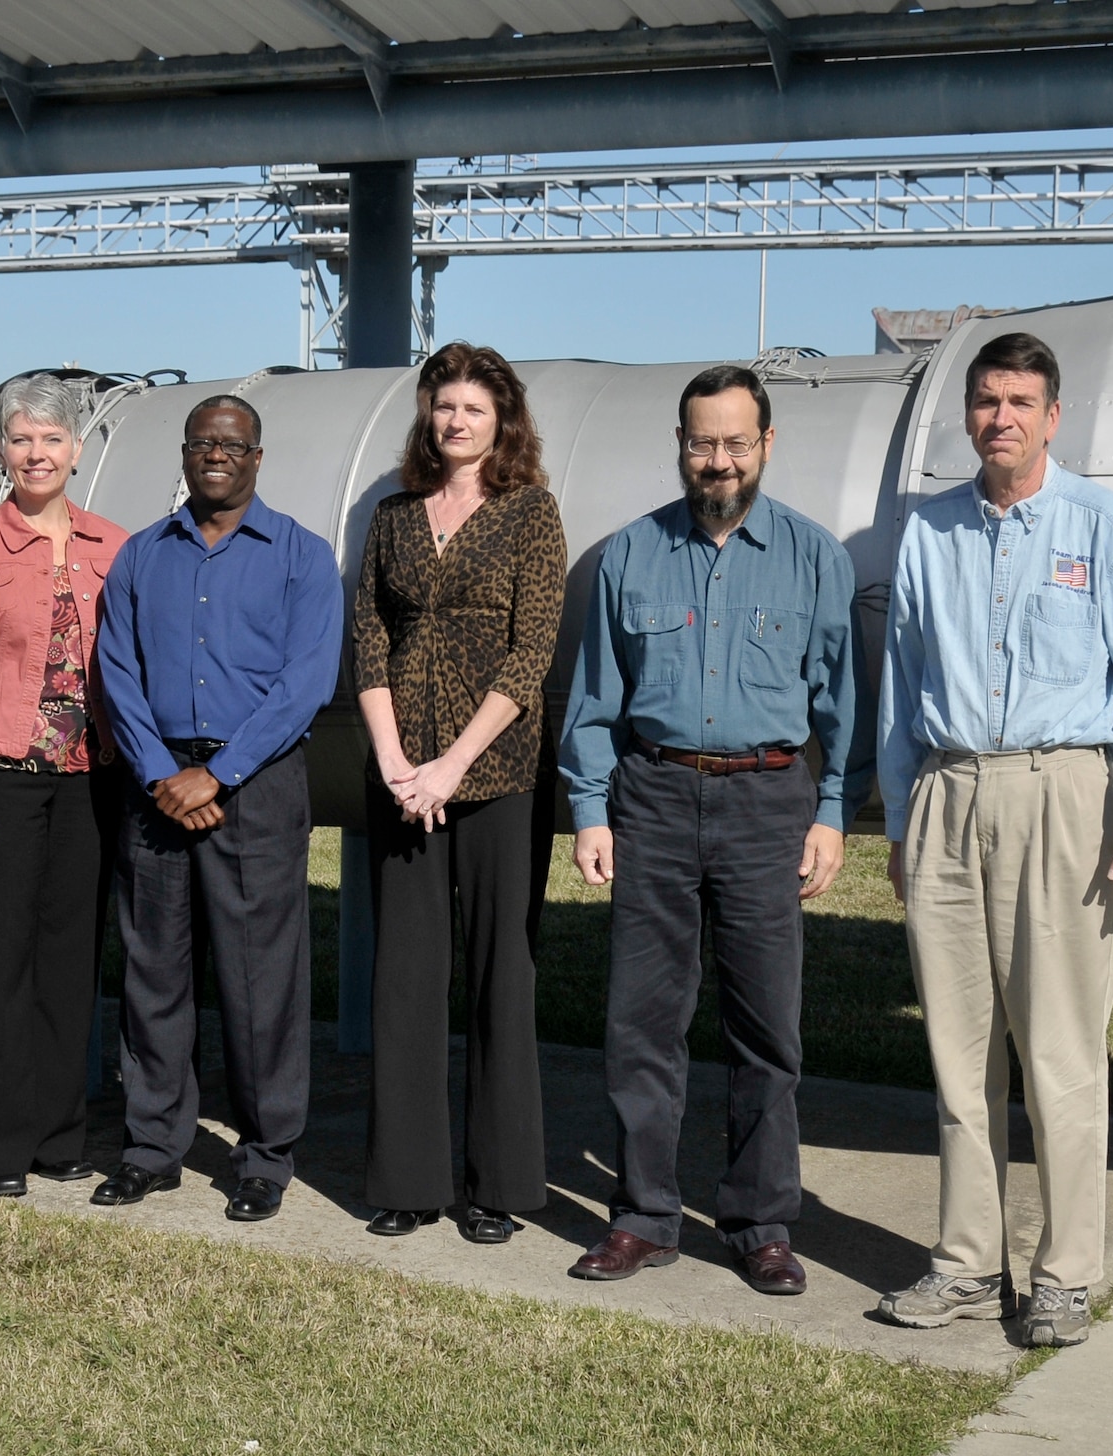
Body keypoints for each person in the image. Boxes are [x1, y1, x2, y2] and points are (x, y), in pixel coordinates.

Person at [874, 332, 1113, 1348]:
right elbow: (899, 693)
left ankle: (1062, 1273)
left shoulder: (1103, 527)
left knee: (1057, 1045)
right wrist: (898, 818)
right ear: (964, 416)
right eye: (983, 400)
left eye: (1019, 401)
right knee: (957, 1051)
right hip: (946, 794)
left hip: (1061, 795)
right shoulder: (926, 532)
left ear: (1052, 417)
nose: (999, 417)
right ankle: (966, 1264)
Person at [558, 365, 870, 1292]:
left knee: (765, 1026)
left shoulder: (814, 558)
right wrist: (589, 808)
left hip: (767, 803)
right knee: (641, 1023)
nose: (719, 460)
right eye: (703, 442)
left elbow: (842, 707)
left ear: (767, 445)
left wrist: (831, 814)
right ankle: (646, 1216)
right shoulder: (630, 555)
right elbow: (591, 701)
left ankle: (760, 1222)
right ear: (681, 446)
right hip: (652, 799)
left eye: (736, 442)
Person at [92, 394, 341, 1224]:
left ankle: (265, 1156)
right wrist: (164, 770)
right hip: (157, 782)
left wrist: (221, 773)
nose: (216, 456)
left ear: (258, 457)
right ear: (185, 454)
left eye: (232, 446)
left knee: (259, 977)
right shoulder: (140, 557)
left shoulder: (302, 557)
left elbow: (306, 683)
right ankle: (152, 1148)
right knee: (153, 973)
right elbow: (116, 672)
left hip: (257, 784)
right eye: (202, 444)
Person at [352, 343, 565, 1243]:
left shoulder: (530, 514)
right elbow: (367, 637)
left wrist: (452, 766)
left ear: (502, 420)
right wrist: (400, 761)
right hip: (402, 779)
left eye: (473, 409)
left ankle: (499, 1185)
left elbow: (532, 650)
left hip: (499, 777)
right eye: (444, 407)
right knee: (404, 978)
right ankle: (408, 1180)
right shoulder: (394, 516)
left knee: (497, 979)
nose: (455, 422)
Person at [0, 375, 128, 1198]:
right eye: (21, 439)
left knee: (69, 961)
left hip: (86, 781)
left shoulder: (113, 545)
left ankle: (57, 1132)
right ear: (3, 451)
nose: (36, 454)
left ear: (77, 452)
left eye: (51, 440)